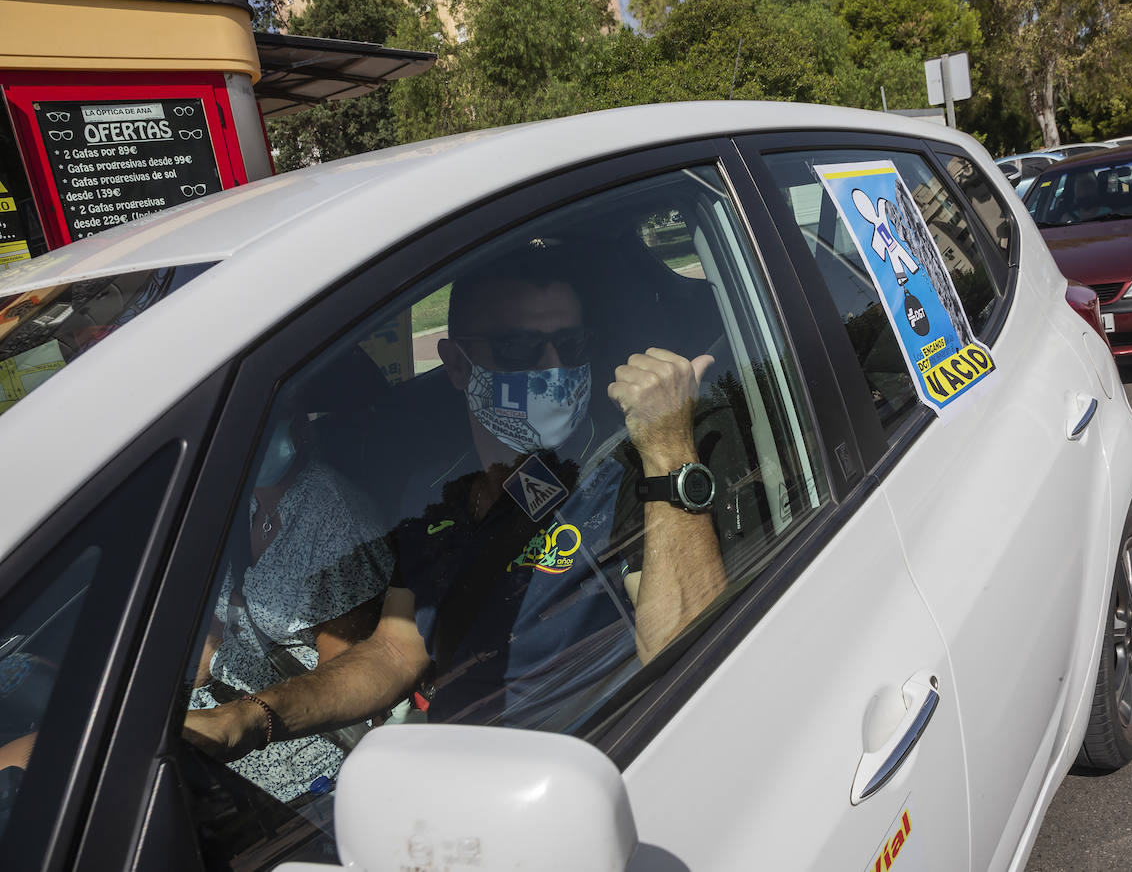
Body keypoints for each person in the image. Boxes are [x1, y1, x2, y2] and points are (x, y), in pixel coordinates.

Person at [184, 252, 727, 758]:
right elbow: (397, 651)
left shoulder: (628, 472)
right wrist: (251, 718)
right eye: (519, 348)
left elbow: (694, 665)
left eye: (573, 343)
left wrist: (668, 445)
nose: (554, 366)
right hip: (456, 763)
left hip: (586, 756)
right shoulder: (436, 490)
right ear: (459, 364)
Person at [187, 366, 395, 801]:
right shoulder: (244, 503)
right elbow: (225, 622)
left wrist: (243, 720)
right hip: (225, 702)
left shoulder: (336, 518)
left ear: (298, 428)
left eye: (261, 431)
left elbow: (346, 682)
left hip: (294, 742)